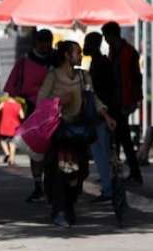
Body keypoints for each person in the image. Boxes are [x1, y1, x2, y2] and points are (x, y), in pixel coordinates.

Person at [38, 41, 116, 227]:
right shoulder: (53, 76)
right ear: (67, 55)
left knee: (80, 172)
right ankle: (60, 210)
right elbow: (41, 101)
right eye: (77, 52)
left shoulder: (83, 75)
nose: (81, 55)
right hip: (59, 132)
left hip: (80, 132)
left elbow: (93, 98)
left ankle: (69, 206)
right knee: (61, 171)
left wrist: (106, 116)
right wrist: (58, 102)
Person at [4, 29, 55, 203]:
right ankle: (38, 187)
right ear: (36, 43)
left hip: (54, 112)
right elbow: (13, 88)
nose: (46, 45)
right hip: (33, 112)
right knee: (34, 151)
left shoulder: (56, 59)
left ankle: (52, 185)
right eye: (42, 41)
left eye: (48, 41)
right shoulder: (25, 62)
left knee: (52, 150)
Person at [102, 21, 143, 185]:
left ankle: (132, 173)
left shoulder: (128, 52)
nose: (105, 40)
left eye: (105, 36)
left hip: (123, 102)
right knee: (117, 138)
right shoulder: (115, 51)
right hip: (115, 102)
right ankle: (120, 172)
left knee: (122, 138)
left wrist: (134, 101)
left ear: (112, 35)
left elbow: (136, 79)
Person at [83, 32, 115, 203]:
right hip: (101, 114)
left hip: (101, 115)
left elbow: (101, 93)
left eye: (87, 42)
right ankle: (108, 187)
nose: (84, 46)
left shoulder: (100, 64)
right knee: (102, 153)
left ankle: (109, 189)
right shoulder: (99, 63)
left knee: (101, 153)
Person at [0, 93, 24, 165]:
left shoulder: (4, 104)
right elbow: (22, 116)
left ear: (8, 96)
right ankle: (12, 160)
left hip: (4, 126)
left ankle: (7, 153)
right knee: (12, 143)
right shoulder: (18, 105)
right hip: (15, 127)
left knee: (2, 141)